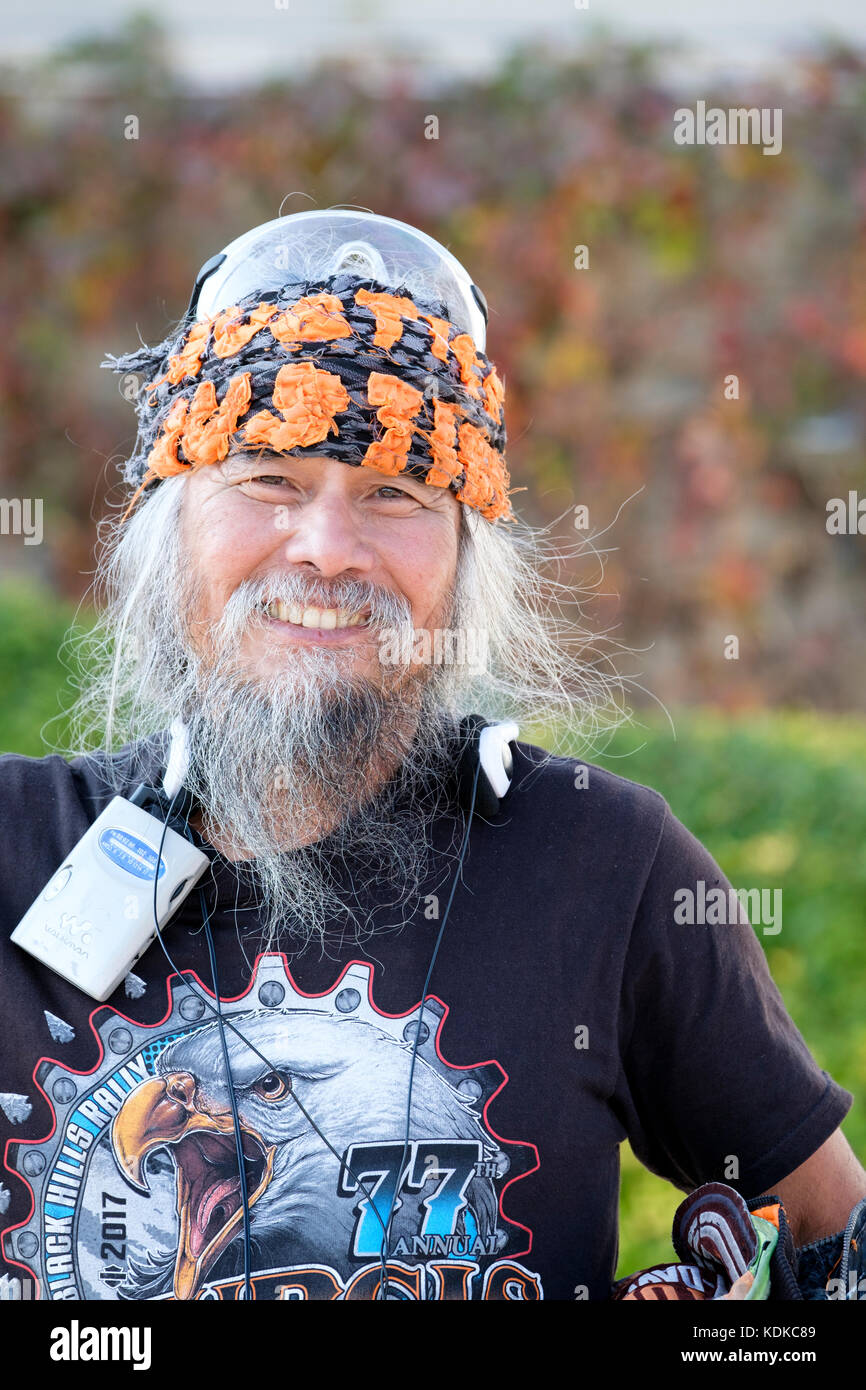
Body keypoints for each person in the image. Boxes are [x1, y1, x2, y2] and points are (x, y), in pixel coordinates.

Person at [0, 211, 863, 1304]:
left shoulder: (600, 864)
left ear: (463, 562)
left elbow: (837, 1239)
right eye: (267, 477)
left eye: (394, 493)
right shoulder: (15, 846)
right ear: (171, 530)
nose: (323, 547)